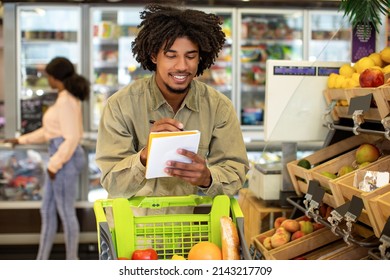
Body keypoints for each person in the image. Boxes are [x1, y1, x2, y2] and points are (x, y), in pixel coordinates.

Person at [95, 4, 249, 213]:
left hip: (185, 234)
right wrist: (144, 157)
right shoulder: (121, 105)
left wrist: (207, 178)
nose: (182, 66)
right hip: (128, 233)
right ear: (153, 56)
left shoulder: (218, 107)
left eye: (190, 56)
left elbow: (236, 172)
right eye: (171, 55)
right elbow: (111, 182)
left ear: (200, 58)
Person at [4, 57, 89, 259]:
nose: (46, 79)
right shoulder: (63, 98)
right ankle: (42, 260)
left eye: (48, 75)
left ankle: (72, 261)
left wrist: (54, 165)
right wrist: (20, 140)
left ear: (55, 77)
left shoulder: (66, 101)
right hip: (59, 159)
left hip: (63, 160)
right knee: (47, 210)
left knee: (65, 212)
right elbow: (49, 132)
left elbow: (72, 138)